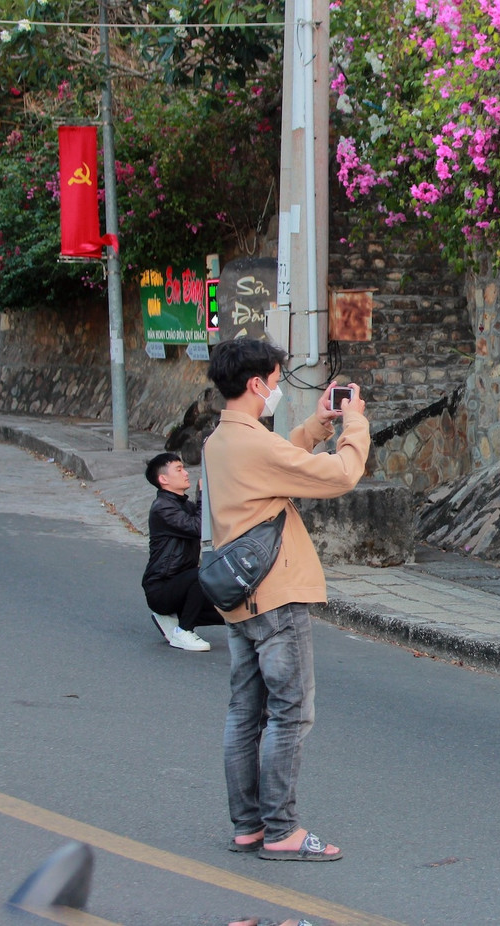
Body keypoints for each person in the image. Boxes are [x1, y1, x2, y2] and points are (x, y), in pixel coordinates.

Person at [204, 338, 369, 861]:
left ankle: (249, 827)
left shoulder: (220, 440)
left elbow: (282, 460)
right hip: (276, 595)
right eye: (275, 381)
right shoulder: (254, 445)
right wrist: (354, 424)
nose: (276, 388)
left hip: (241, 597)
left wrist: (318, 425)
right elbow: (341, 475)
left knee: (244, 714)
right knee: (291, 714)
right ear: (256, 384)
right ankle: (281, 830)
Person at [141, 452, 224, 652]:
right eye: (178, 469)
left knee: (228, 609)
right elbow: (199, 527)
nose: (186, 473)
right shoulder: (162, 508)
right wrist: (203, 494)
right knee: (202, 574)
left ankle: (175, 618)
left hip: (183, 585)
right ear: (164, 479)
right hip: (161, 588)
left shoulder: (184, 505)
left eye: (183, 468)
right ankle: (183, 631)